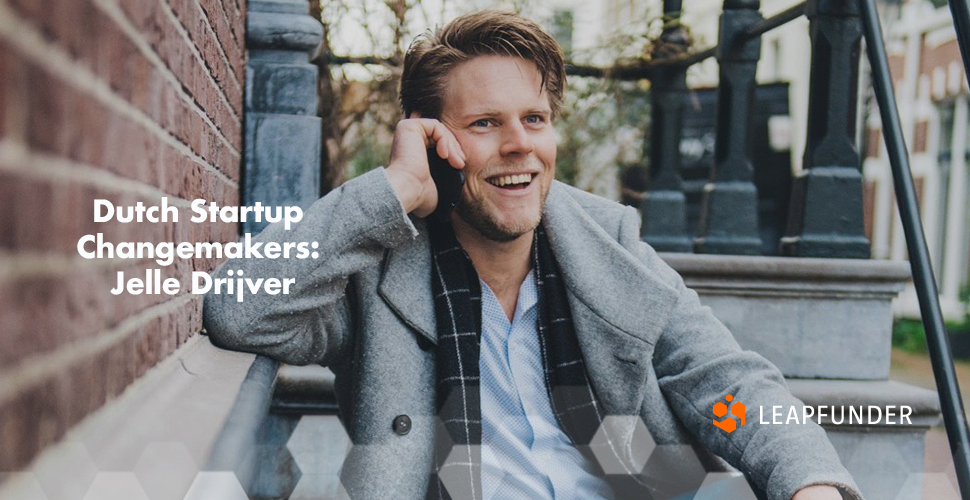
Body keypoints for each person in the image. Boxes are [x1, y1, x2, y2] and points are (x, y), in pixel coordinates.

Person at [204, 10, 863, 500]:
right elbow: (240, 311)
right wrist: (394, 190)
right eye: (485, 124)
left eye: (535, 119)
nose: (520, 145)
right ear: (434, 141)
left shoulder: (610, 245)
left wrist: (810, 484)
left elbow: (726, 386)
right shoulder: (376, 272)